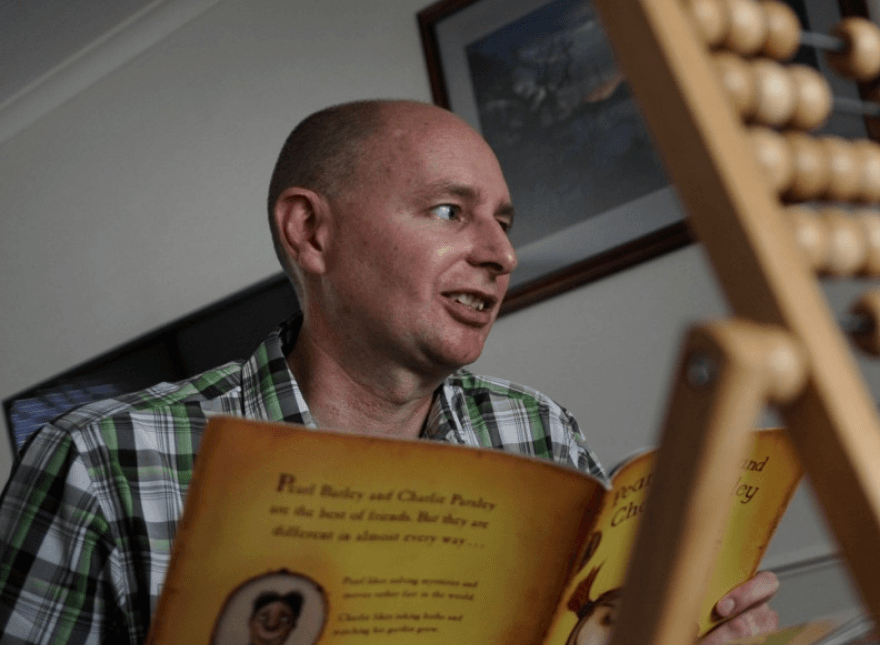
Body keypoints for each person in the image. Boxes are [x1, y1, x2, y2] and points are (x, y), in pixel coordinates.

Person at [0, 100, 778, 644]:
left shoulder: (538, 427)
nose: (503, 253)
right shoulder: (98, 462)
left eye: (503, 222)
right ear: (310, 231)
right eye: (450, 210)